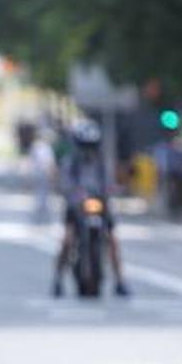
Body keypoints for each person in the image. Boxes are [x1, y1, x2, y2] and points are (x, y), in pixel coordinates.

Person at [53, 121, 128, 297]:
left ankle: (120, 281)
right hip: (76, 207)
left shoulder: (102, 163)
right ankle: (57, 279)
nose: (88, 150)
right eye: (85, 146)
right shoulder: (70, 163)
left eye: (91, 146)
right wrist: (74, 194)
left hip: (100, 206)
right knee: (67, 240)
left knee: (113, 240)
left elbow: (110, 183)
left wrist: (113, 189)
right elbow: (64, 183)